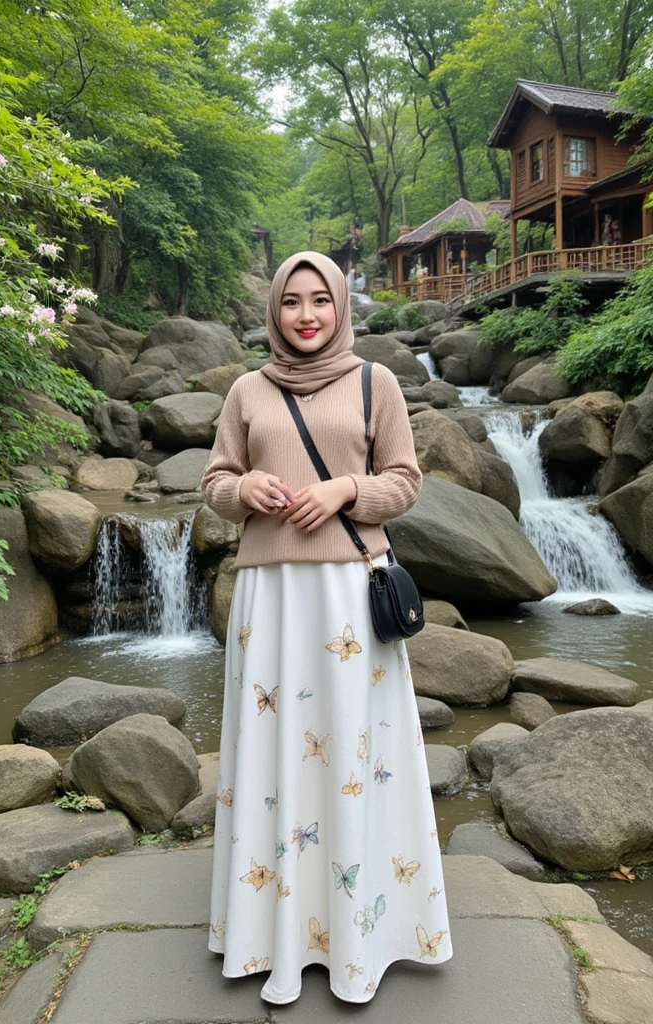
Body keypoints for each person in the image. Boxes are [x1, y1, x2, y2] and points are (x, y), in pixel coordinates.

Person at [201, 251, 452, 1005]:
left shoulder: (376, 383)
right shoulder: (247, 390)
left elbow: (405, 481)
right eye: (291, 301)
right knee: (275, 754)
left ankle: (361, 933)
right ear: (274, 310)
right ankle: (269, 934)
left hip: (349, 593)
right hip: (270, 598)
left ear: (341, 306)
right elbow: (214, 481)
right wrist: (243, 487)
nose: (305, 315)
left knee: (352, 754)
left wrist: (346, 489)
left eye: (319, 300)